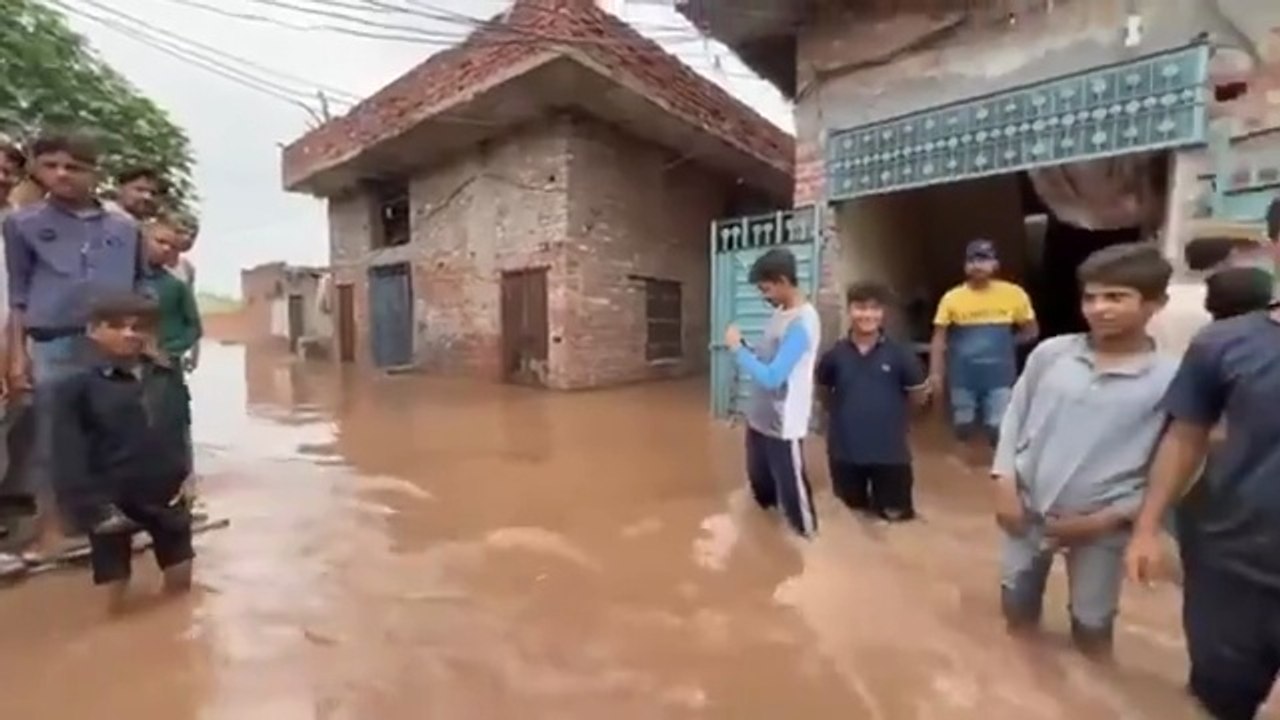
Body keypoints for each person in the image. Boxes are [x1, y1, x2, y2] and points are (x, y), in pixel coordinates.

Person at [1126, 212, 1280, 720]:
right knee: (1222, 695)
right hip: (1232, 561)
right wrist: (1147, 528)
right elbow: (1183, 438)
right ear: (1272, 246)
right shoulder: (1224, 343)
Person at [993, 243, 1176, 659]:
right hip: (1025, 510)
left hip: (1101, 524)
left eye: (1116, 297)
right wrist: (1002, 479)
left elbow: (1172, 464)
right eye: (1091, 297)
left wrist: (1114, 516)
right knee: (1016, 609)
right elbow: (1015, 416)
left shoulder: (1170, 379)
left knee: (1092, 626)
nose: (1099, 308)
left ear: (1154, 304)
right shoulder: (1051, 354)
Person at [2, 132, 144, 552]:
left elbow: (139, 288)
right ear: (37, 169)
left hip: (113, 347)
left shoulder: (125, 227)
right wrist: (16, 358)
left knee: (115, 433)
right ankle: (63, 531)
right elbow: (19, 296)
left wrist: (141, 342)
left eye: (73, 167)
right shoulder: (21, 225)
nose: (62, 174)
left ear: (94, 173)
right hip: (54, 344)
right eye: (51, 165)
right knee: (57, 439)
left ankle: (111, 520)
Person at [50, 292, 194, 613]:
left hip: (166, 494)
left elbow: (180, 427)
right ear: (93, 330)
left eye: (138, 326)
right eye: (117, 326)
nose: (130, 334)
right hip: (110, 502)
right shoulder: (75, 386)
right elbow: (67, 453)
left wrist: (187, 477)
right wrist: (90, 509)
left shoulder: (166, 375)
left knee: (181, 587)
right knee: (113, 596)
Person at [724, 248, 821, 538]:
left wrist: (737, 349)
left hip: (783, 424)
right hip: (759, 419)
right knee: (762, 491)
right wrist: (747, 348)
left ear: (782, 281)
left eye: (766, 289)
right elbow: (768, 361)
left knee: (795, 505)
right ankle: (768, 543)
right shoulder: (780, 313)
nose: (763, 296)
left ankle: (812, 553)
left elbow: (773, 377)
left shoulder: (802, 323)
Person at [817, 281, 929, 521]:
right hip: (844, 454)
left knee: (896, 519)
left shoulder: (902, 356)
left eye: (874, 308)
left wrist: (894, 422)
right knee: (850, 516)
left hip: (891, 456)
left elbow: (917, 398)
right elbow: (824, 393)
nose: (867, 315)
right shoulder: (833, 356)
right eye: (860, 307)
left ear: (883, 313)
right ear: (849, 311)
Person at [929, 239, 1038, 464]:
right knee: (963, 423)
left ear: (995, 264)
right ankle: (962, 465)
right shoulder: (952, 298)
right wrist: (936, 373)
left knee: (998, 425)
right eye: (972, 260)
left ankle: (999, 467)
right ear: (965, 265)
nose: (978, 266)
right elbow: (939, 338)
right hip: (962, 374)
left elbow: (1031, 331)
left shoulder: (1014, 294)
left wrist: (1006, 344)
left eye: (984, 260)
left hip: (999, 374)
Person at [141, 219, 201, 370]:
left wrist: (169, 351)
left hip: (163, 366)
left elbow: (193, 326)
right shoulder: (124, 278)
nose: (166, 249)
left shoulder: (176, 285)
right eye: (160, 242)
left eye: (172, 246)